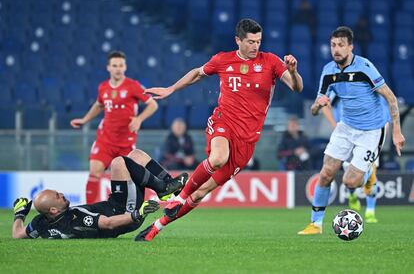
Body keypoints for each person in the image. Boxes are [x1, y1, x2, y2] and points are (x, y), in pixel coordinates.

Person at [138, 18, 303, 241]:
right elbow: (197, 73)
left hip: (247, 141)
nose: (256, 46)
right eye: (251, 42)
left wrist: (293, 72)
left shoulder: (271, 62)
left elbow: (296, 87)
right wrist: (171, 89)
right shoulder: (222, 60)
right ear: (238, 40)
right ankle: (179, 196)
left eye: (259, 41)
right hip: (223, 122)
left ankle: (157, 227)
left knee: (201, 192)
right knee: (218, 158)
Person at [298, 26, 405, 235]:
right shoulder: (328, 71)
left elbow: (390, 98)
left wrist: (396, 132)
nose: (336, 50)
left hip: (372, 130)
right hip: (346, 127)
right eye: (333, 45)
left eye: (340, 45)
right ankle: (315, 224)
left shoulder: (365, 67)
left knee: (350, 182)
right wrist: (318, 104)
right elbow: (314, 109)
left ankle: (368, 177)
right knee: (326, 172)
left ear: (350, 47)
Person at [12, 149, 188, 239]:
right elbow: (109, 223)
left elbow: (18, 234)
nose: (62, 194)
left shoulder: (40, 224)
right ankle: (164, 188)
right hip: (124, 213)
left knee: (135, 155)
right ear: (53, 210)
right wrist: (137, 213)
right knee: (119, 162)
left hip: (117, 206)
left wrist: (19, 214)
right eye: (58, 196)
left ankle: (166, 187)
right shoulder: (75, 219)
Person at [70, 51, 158, 204]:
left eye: (121, 65)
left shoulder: (133, 86)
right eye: (114, 65)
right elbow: (98, 105)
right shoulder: (103, 87)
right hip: (105, 139)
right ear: (108, 68)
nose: (118, 69)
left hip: (126, 142)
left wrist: (139, 119)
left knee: (125, 178)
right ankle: (88, 211)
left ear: (125, 67)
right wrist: (84, 120)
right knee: (94, 173)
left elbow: (152, 104)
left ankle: (126, 209)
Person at [322, 91, 391, 223]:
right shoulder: (340, 89)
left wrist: (378, 141)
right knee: (350, 177)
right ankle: (352, 194)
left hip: (369, 138)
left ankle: (370, 211)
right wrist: (334, 126)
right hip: (347, 137)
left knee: (371, 174)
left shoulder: (375, 93)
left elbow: (385, 120)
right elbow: (324, 105)